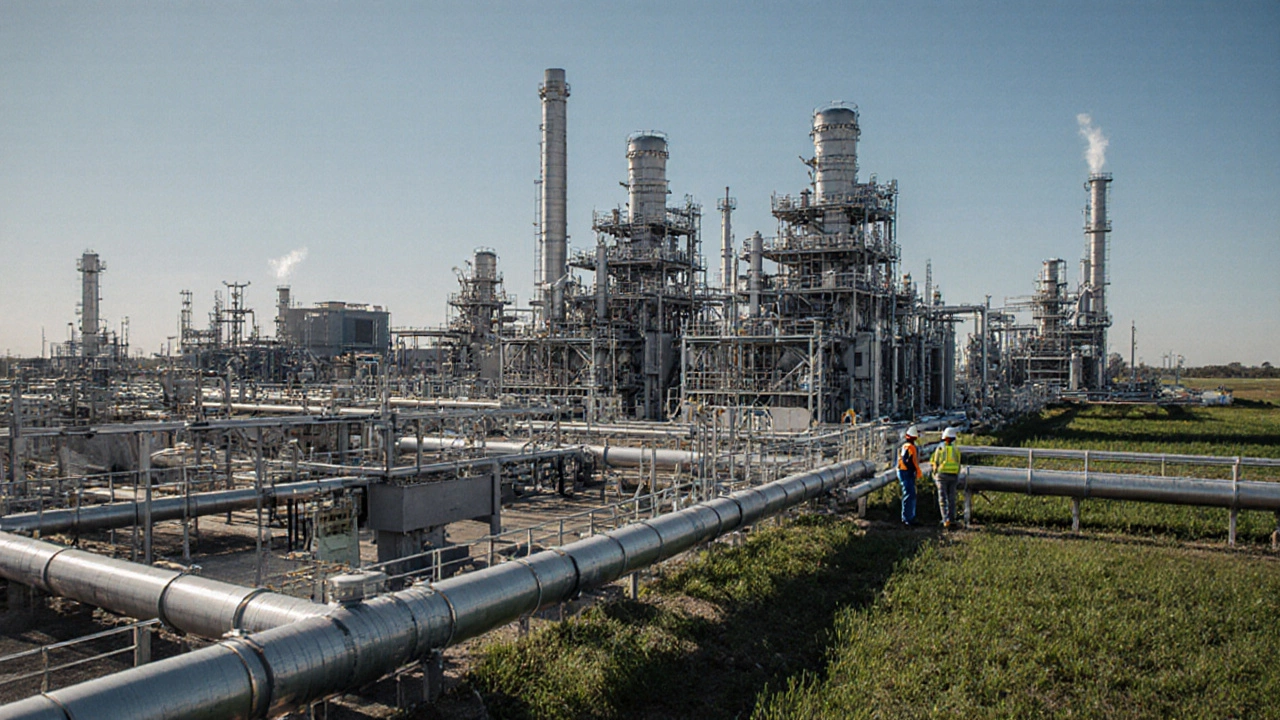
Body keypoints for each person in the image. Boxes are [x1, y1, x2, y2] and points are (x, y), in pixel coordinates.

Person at [931, 426, 963, 529]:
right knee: (952, 498)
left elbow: (935, 462)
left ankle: (945, 520)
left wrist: (934, 473)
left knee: (942, 498)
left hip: (942, 475)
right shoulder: (956, 449)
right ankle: (952, 518)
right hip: (953, 475)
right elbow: (959, 462)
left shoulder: (940, 448)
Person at [897, 425, 921, 525]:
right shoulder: (908, 447)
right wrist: (912, 469)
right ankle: (907, 518)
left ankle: (909, 517)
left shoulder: (907, 446)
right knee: (909, 494)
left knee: (910, 494)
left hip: (905, 472)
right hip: (906, 472)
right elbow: (905, 460)